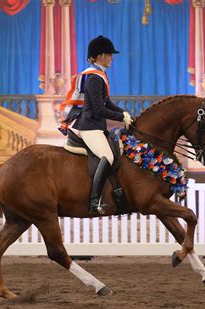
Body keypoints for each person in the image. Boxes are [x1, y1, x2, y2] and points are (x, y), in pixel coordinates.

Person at [71, 35, 132, 214]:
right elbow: (98, 110)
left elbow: (107, 102)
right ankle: (94, 202)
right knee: (108, 156)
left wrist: (123, 113)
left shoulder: (100, 75)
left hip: (94, 125)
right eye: (109, 55)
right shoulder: (94, 77)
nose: (112, 58)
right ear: (100, 56)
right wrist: (120, 118)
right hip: (89, 126)